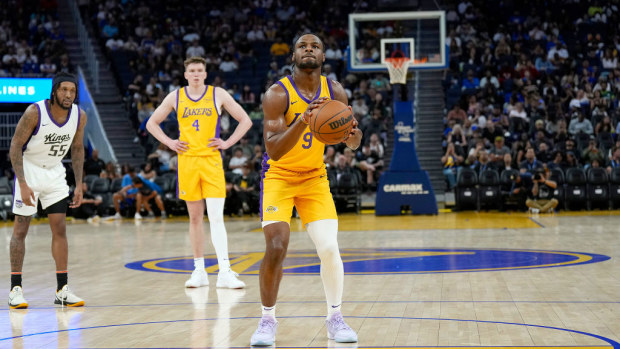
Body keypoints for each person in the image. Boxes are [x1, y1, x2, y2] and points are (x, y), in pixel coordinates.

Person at [250, 34, 362, 346]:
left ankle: (335, 318)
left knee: (328, 248)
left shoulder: (335, 90)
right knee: (276, 246)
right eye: (302, 45)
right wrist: (303, 120)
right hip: (279, 177)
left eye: (315, 46)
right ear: (294, 55)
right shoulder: (277, 94)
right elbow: (273, 150)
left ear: (323, 56)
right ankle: (267, 320)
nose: (308, 49)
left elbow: (351, 140)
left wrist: (354, 135)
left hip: (314, 178)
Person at [146, 56, 252, 289]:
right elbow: (151, 123)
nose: (195, 74)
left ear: (205, 74)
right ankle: (199, 271)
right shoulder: (175, 96)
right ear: (185, 75)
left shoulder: (218, 94)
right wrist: (170, 142)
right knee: (195, 218)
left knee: (215, 217)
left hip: (212, 161)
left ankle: (224, 271)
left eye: (199, 70)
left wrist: (227, 142)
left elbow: (245, 120)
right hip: (187, 162)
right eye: (191, 70)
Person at [8, 72, 87, 308]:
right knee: (21, 229)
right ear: (54, 91)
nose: (68, 95)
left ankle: (62, 289)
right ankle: (15, 289)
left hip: (55, 173)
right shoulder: (35, 112)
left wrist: (79, 183)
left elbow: (78, 149)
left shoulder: (79, 116)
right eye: (64, 90)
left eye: (72, 91)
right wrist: (22, 183)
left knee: (60, 229)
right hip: (30, 170)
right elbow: (14, 147)